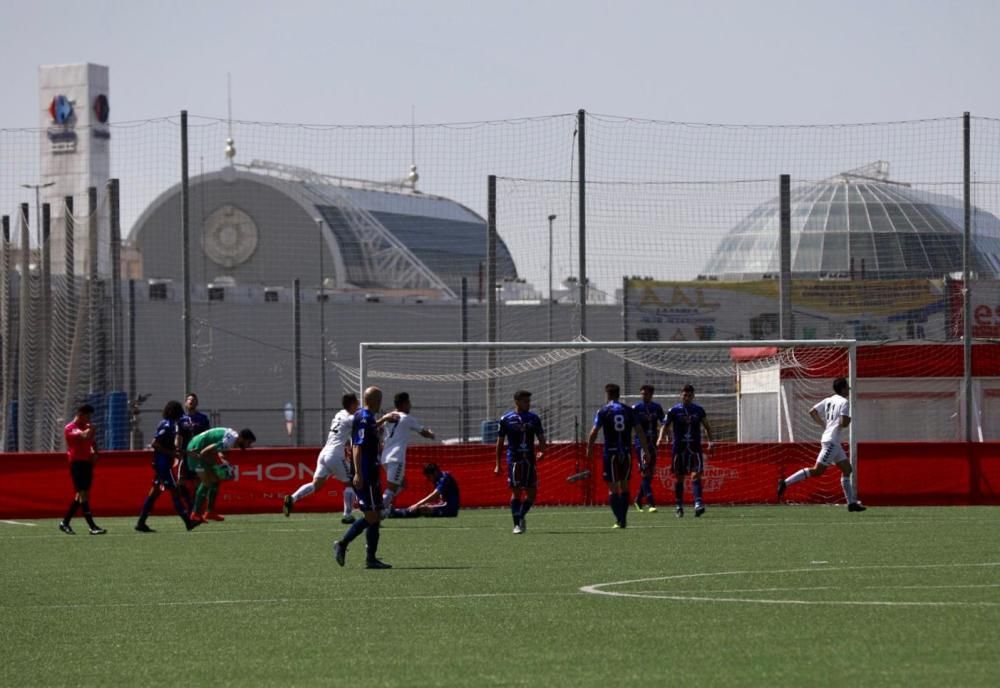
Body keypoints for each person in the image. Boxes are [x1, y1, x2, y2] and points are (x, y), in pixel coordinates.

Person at [778, 377, 866, 512]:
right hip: (832, 441)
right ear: (842, 388)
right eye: (847, 387)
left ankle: (851, 503)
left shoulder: (828, 400)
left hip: (832, 441)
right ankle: (785, 483)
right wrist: (848, 420)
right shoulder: (844, 402)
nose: (848, 389)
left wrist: (824, 425)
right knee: (817, 470)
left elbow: (812, 411)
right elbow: (844, 423)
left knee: (847, 470)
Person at [333, 386, 392, 569]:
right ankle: (344, 545)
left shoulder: (362, 416)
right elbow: (357, 446)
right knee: (373, 516)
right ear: (374, 401)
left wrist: (383, 419)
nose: (381, 403)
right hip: (367, 473)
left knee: (374, 514)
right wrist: (358, 473)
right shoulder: (366, 418)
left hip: (369, 472)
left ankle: (369, 557)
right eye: (379, 399)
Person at [284, 393, 361, 524]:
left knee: (316, 484)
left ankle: (292, 498)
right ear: (352, 404)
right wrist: (383, 420)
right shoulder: (351, 418)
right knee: (350, 483)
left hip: (324, 453)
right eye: (357, 403)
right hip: (335, 454)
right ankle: (347, 515)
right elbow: (365, 424)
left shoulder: (339, 414)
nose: (358, 405)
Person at [588, 383, 651, 529]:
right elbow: (639, 431)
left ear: (607, 395)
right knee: (624, 486)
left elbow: (594, 432)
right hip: (626, 452)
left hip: (610, 453)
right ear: (618, 394)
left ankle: (619, 519)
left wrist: (589, 449)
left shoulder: (603, 411)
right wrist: (646, 451)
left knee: (612, 488)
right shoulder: (628, 410)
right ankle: (623, 519)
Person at [135, 401, 201, 532]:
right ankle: (188, 522)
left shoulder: (172, 424)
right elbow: (155, 444)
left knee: (154, 493)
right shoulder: (167, 425)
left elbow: (174, 446)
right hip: (163, 464)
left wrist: (184, 453)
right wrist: (172, 453)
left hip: (164, 462)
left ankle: (141, 522)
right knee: (175, 491)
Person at [494, 390, 546, 535]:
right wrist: (498, 464)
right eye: (525, 401)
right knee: (516, 492)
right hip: (514, 460)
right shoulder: (506, 419)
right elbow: (500, 443)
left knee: (532, 494)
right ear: (517, 402)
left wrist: (542, 451)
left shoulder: (534, 418)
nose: (528, 404)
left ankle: (521, 515)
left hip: (530, 459)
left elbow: (541, 438)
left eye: (529, 401)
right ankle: (516, 525)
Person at [380, 392, 436, 518]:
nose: (410, 405)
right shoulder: (406, 418)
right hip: (396, 458)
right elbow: (423, 432)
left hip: (385, 458)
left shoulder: (389, 417)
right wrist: (432, 434)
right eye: (409, 403)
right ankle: (376, 512)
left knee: (403, 484)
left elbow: (381, 432)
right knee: (391, 490)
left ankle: (381, 509)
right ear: (404, 404)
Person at [184, 426, 256, 522]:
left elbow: (220, 452)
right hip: (196, 449)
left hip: (202, 448)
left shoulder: (232, 439)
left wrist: (223, 464)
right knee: (207, 481)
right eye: (249, 442)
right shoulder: (230, 441)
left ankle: (210, 512)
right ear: (242, 438)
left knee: (215, 480)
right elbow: (206, 450)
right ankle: (195, 514)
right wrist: (203, 459)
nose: (248, 445)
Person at [663, 384, 713, 518]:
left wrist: (710, 441)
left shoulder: (698, 410)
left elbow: (707, 426)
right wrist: (662, 438)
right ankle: (679, 505)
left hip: (694, 447)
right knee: (679, 478)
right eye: (685, 395)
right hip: (679, 448)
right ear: (681, 395)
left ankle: (698, 503)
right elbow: (665, 425)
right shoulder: (674, 410)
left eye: (690, 395)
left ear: (693, 396)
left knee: (696, 475)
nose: (687, 397)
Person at [59, 404, 106, 535]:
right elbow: (84, 436)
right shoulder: (70, 428)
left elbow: (91, 441)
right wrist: (91, 429)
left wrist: (96, 453)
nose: (89, 419)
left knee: (81, 495)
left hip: (86, 462)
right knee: (83, 494)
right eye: (87, 416)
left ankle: (65, 522)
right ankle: (92, 526)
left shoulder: (86, 427)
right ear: (80, 414)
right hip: (77, 463)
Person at [632, 384, 666, 513]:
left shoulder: (656, 407)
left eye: (646, 394)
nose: (643, 396)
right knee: (645, 472)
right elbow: (633, 425)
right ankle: (651, 503)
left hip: (653, 443)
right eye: (642, 394)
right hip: (641, 443)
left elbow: (664, 422)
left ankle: (638, 499)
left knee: (650, 474)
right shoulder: (636, 408)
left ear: (651, 394)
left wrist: (665, 435)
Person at [176, 393, 210, 509]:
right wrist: (178, 450)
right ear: (185, 403)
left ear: (197, 403)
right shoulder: (181, 420)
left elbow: (207, 436)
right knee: (180, 482)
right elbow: (178, 437)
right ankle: (189, 507)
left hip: (198, 456)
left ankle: (198, 509)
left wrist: (204, 451)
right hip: (186, 455)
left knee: (198, 482)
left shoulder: (202, 419)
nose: (191, 401)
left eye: (194, 400)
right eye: (189, 400)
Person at [389, 463, 460, 518]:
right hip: (445, 506)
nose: (428, 479)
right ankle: (396, 511)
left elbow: (435, 495)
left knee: (422, 508)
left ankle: (395, 513)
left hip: (450, 510)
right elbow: (440, 496)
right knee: (424, 507)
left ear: (435, 472)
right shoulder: (438, 478)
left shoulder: (444, 478)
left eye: (429, 476)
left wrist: (417, 504)